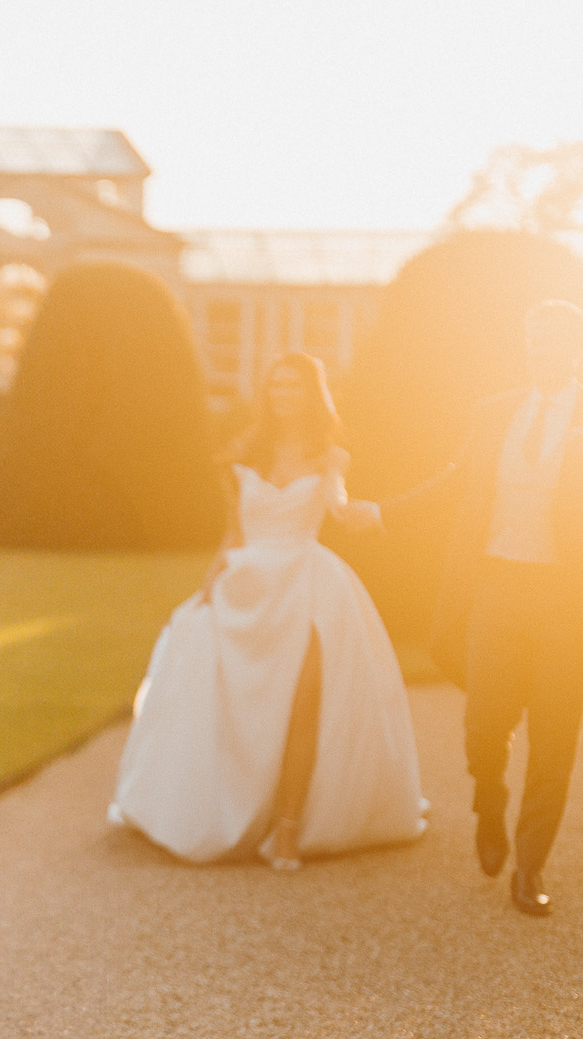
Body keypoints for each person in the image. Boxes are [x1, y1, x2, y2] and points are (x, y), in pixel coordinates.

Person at [111, 352, 429, 867]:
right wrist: (210, 583)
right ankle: (239, 809)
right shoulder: (245, 453)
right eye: (277, 386)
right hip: (246, 588)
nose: (285, 395)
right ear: (268, 393)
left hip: (305, 585)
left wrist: (372, 513)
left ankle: (287, 828)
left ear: (311, 394)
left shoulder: (330, 457)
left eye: (295, 387)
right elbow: (235, 529)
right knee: (245, 710)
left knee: (304, 704)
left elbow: (339, 506)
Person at [422, 299, 583, 917]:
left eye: (551, 341)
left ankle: (531, 863)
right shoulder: (492, 412)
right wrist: (386, 511)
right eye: (532, 339)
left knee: (555, 737)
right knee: (484, 722)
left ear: (578, 348)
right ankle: (489, 802)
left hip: (567, 600)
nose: (539, 351)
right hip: (496, 586)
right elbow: (456, 480)